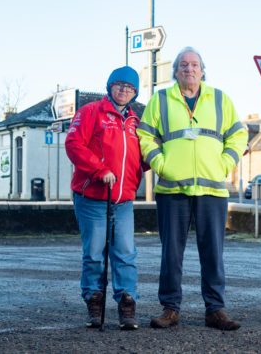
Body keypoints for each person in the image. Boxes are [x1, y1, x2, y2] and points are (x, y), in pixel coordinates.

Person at [137, 47, 249, 330]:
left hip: (212, 189)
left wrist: (225, 164)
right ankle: (170, 309)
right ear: (175, 71)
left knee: (213, 253)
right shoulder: (160, 99)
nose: (189, 69)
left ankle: (215, 310)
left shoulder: (220, 98)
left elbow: (238, 135)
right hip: (172, 189)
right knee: (171, 253)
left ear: (202, 70)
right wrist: (161, 164)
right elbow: (145, 135)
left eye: (194, 64)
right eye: (184, 65)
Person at [65, 66, 145, 330]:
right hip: (93, 196)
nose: (124, 91)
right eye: (119, 85)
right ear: (109, 86)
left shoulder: (135, 121)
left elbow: (139, 158)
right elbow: (74, 144)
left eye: (130, 88)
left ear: (135, 92)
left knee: (125, 253)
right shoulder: (90, 112)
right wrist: (100, 170)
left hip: (123, 200)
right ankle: (94, 302)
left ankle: (126, 305)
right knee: (95, 253)